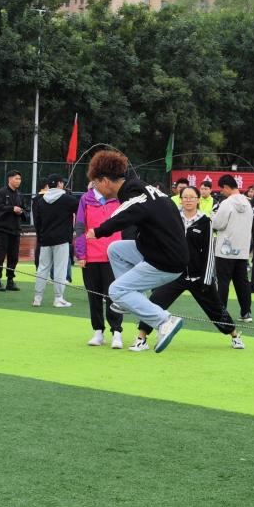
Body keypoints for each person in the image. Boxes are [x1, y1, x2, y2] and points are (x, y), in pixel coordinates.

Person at [85, 150, 186, 354]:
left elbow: (126, 213)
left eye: (95, 184)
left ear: (105, 181)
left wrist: (99, 230)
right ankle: (129, 299)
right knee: (116, 250)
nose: (96, 189)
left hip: (166, 260)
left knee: (116, 291)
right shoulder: (140, 187)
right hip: (160, 250)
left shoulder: (135, 194)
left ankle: (165, 321)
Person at [130, 185, 245, 352]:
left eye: (192, 197)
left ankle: (234, 335)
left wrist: (207, 279)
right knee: (155, 302)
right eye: (185, 197)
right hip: (173, 274)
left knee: (216, 308)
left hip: (198, 277)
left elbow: (209, 252)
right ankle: (141, 338)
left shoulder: (205, 222)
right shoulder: (171, 218)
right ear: (180, 199)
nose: (188, 200)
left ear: (198, 200)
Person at [74, 181, 124, 348]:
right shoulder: (85, 199)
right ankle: (98, 331)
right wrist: (81, 253)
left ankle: (116, 332)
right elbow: (80, 227)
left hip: (114, 256)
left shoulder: (118, 198)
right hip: (91, 256)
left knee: (114, 296)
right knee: (93, 296)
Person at [32, 174, 80, 308]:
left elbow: (38, 221)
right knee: (60, 269)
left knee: (42, 269)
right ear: (59, 184)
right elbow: (80, 209)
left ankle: (37, 298)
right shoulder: (68, 199)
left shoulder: (41, 201)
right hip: (61, 239)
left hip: (45, 239)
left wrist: (41, 237)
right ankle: (58, 298)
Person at [212, 174, 254, 318]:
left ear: (226, 187)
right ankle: (246, 312)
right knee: (242, 282)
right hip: (242, 249)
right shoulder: (247, 203)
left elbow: (218, 224)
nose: (221, 192)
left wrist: (212, 217)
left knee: (223, 282)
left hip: (225, 250)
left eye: (221, 189)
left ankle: (221, 314)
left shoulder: (226, 203)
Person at [0, 170, 24, 291]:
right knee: (0, 256)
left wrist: (21, 211)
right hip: (2, 230)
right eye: (16, 178)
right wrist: (12, 209)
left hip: (15, 230)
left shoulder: (19, 195)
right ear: (9, 179)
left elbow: (24, 209)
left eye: (19, 179)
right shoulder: (1, 193)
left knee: (13, 257)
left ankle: (10, 280)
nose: (18, 181)